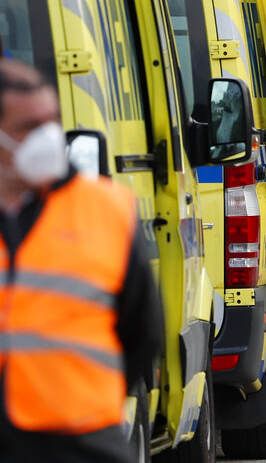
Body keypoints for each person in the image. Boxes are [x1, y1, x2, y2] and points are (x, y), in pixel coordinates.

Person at [0, 59, 163, 462]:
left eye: (51, 122)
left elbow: (144, 331)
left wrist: (88, 397)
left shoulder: (106, 210)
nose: (48, 139)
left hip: (82, 441)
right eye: (29, 127)